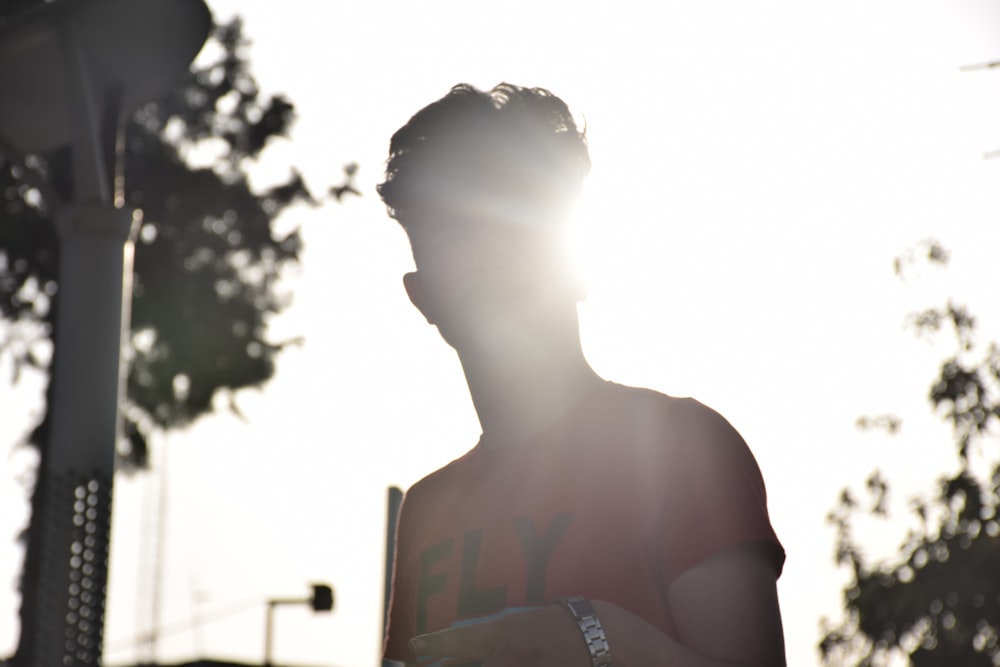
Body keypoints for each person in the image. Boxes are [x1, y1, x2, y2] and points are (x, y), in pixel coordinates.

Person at [377, 82, 786, 667]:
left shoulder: (683, 447)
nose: (492, 252)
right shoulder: (426, 512)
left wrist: (597, 640)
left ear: (574, 261)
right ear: (424, 299)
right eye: (454, 232)